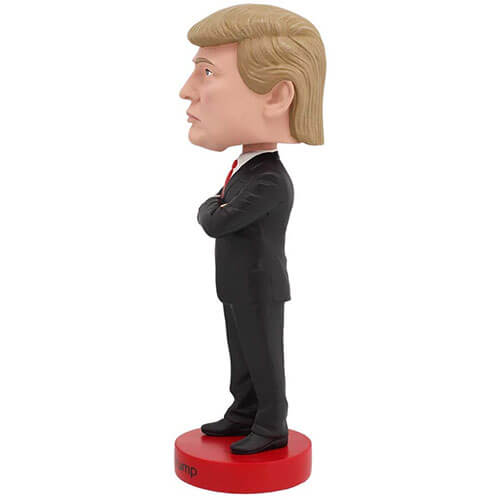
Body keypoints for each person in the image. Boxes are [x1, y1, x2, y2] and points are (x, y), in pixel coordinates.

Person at [179, 4, 326, 455]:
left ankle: (271, 424)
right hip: (236, 284)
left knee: (263, 357)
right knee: (241, 355)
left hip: (260, 288)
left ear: (277, 96)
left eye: (207, 71)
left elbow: (217, 220)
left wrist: (210, 207)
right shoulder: (246, 170)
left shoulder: (269, 180)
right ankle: (243, 411)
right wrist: (215, 206)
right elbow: (219, 212)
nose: (186, 91)